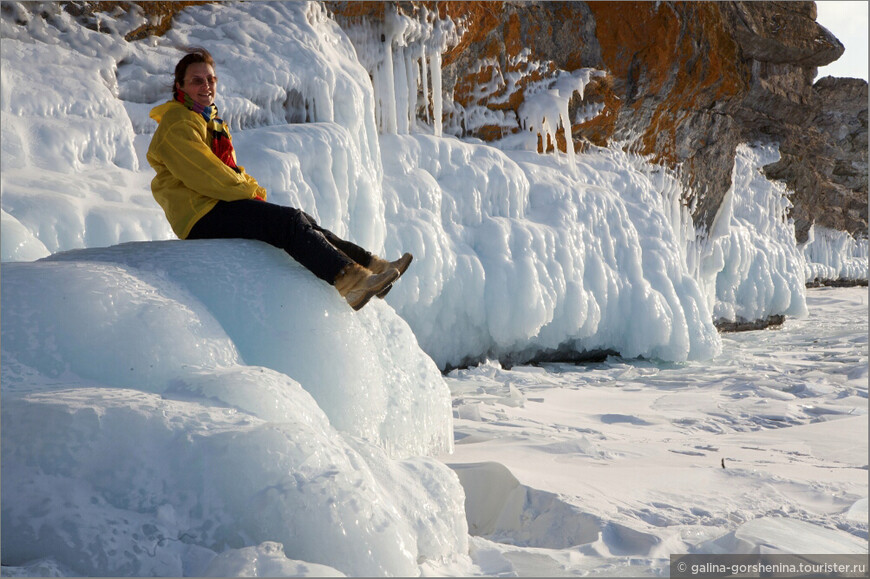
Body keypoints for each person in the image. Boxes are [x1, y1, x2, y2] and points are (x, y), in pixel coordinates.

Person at [147, 48, 412, 311]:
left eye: (211, 80)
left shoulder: (208, 122)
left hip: (213, 205)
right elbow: (204, 173)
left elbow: (226, 170)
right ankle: (350, 282)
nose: (206, 86)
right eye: (197, 80)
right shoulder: (177, 123)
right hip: (199, 214)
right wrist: (249, 190)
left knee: (304, 220)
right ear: (179, 86)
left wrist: (247, 186)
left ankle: (372, 266)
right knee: (289, 223)